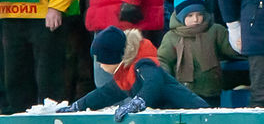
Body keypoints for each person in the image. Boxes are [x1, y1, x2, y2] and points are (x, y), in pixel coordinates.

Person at [69, 26, 208, 113]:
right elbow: (105, 93)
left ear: (113, 57)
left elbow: (154, 83)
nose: (100, 64)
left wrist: (138, 102)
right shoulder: (126, 74)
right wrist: (78, 106)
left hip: (195, 113)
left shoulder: (143, 64)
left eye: (102, 59)